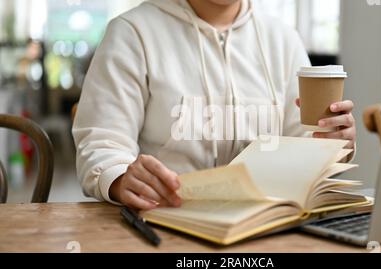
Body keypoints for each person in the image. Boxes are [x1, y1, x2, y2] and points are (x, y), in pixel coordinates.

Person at [72, 0, 356, 210]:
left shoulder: (283, 40)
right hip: (165, 219)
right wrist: (121, 179)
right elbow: (102, 143)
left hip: (264, 223)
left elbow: (304, 144)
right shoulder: (132, 33)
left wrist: (332, 144)